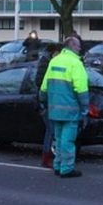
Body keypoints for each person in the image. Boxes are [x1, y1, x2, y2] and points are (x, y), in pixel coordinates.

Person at [40, 36, 89, 178]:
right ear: (73, 46)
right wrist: (85, 108)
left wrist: (43, 101)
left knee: (59, 139)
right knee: (68, 140)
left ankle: (57, 164)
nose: (80, 49)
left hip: (54, 109)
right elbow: (81, 88)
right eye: (79, 46)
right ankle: (67, 168)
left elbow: (44, 86)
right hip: (70, 110)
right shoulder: (76, 63)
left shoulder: (54, 61)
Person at [35, 42, 63, 168]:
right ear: (54, 52)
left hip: (49, 101)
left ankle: (49, 157)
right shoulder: (47, 63)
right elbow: (40, 83)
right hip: (46, 102)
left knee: (51, 130)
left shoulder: (47, 62)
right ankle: (46, 157)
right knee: (51, 130)